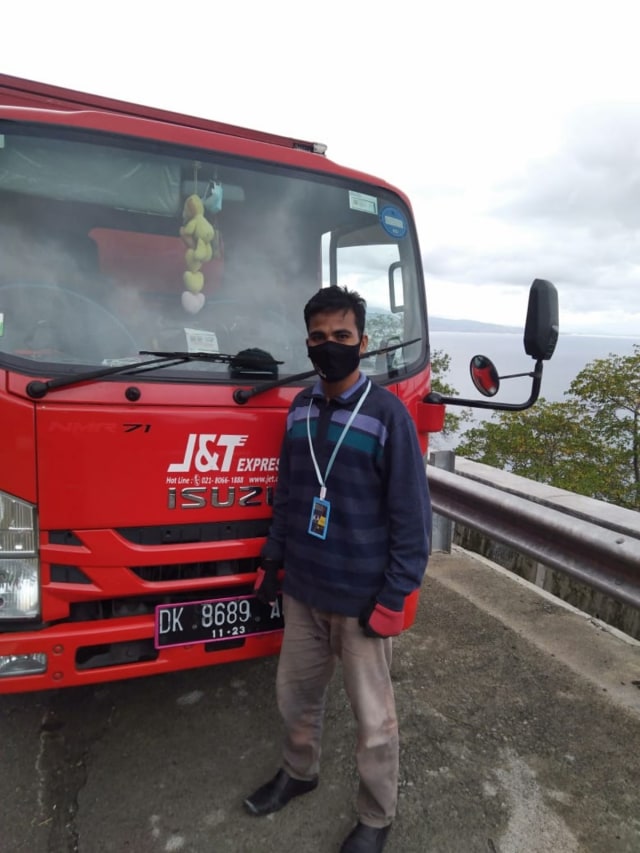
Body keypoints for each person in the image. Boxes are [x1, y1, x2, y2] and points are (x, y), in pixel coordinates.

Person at [244, 285, 431, 853]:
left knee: (375, 722)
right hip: (302, 589)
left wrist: (395, 595)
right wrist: (271, 560)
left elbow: (412, 519)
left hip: (362, 597)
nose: (331, 348)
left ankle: (376, 817)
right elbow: (289, 493)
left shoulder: (387, 416)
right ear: (307, 343)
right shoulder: (300, 408)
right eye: (320, 339)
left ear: (363, 343)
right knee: (296, 699)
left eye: (342, 338)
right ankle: (299, 774)